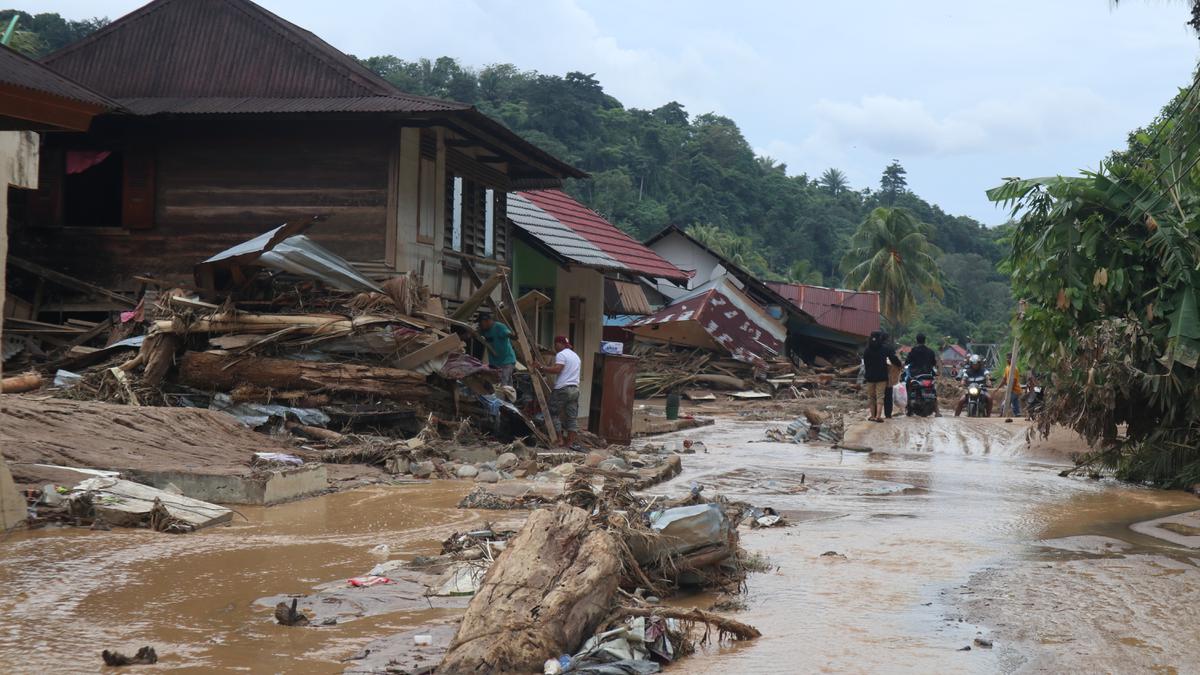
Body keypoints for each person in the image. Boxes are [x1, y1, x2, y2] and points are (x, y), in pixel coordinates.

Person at [537, 335, 582, 449]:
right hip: (575, 389)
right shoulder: (576, 356)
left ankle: (560, 439)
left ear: (559, 344)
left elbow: (557, 369)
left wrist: (541, 367)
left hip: (563, 389)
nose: (554, 347)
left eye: (555, 344)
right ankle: (570, 443)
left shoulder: (561, 354)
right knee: (572, 417)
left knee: (553, 413)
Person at [862, 330, 902, 423]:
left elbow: (865, 363)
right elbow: (893, 358)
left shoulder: (867, 350)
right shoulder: (885, 349)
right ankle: (879, 416)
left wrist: (869, 372)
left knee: (871, 397)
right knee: (881, 396)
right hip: (882, 376)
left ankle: (872, 416)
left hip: (870, 377)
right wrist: (899, 365)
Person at [904, 333, 941, 417]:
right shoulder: (930, 351)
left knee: (908, 385)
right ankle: (937, 411)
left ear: (916, 340)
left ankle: (909, 409)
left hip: (916, 375)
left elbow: (907, 361)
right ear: (925, 340)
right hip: (928, 375)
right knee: (933, 390)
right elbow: (934, 363)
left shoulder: (914, 350)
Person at [478, 313, 517, 387]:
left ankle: (505, 393)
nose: (480, 325)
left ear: (487, 321)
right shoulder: (484, 330)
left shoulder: (499, 327)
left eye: (481, 323)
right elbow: (477, 333)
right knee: (504, 384)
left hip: (507, 361)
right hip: (495, 363)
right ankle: (510, 393)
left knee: (503, 383)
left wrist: (514, 336)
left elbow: (508, 333)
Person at [995, 352, 1022, 416]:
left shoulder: (1014, 369)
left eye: (1009, 358)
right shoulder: (1007, 368)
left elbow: (1014, 381)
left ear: (1012, 359)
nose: (1007, 360)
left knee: (1005, 403)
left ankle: (1002, 415)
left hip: (1015, 390)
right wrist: (998, 388)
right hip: (1012, 390)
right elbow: (1004, 379)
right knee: (1015, 405)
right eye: (1007, 358)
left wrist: (1010, 389)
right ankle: (1018, 414)